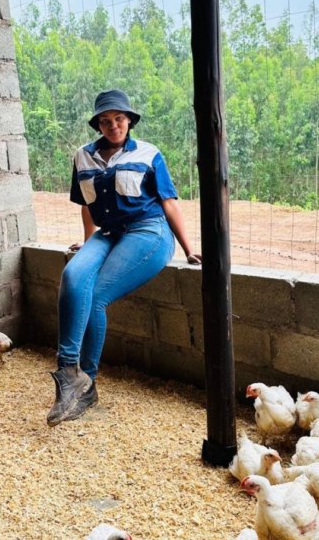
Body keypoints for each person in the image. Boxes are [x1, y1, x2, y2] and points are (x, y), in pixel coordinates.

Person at [46, 89, 201, 427]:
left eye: (119, 119)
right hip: (108, 233)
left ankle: (86, 383)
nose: (113, 125)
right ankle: (67, 371)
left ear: (129, 121)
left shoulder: (148, 153)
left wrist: (189, 247)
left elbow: (168, 201)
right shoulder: (82, 157)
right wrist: (88, 244)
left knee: (97, 295)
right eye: (106, 121)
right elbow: (88, 204)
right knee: (74, 276)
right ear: (98, 124)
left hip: (149, 232)